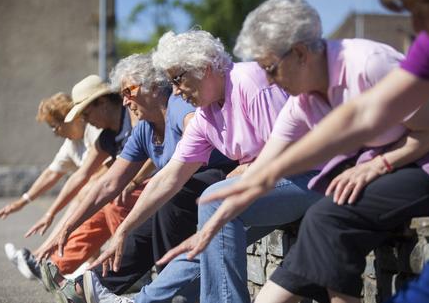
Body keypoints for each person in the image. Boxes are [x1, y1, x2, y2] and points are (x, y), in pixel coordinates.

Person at [184, 0, 429, 302]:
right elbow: (271, 161)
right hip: (384, 169)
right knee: (328, 214)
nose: (415, 24)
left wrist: (379, 165)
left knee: (333, 215)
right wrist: (224, 208)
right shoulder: (302, 102)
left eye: (271, 67)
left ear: (300, 54)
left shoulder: (369, 63)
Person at [83, 29, 323, 303]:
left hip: (312, 177)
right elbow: (169, 177)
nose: (174, 90)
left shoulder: (251, 82)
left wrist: (244, 171)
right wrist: (124, 229)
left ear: (205, 67)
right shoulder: (205, 115)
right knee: (208, 239)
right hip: (269, 186)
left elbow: (286, 154)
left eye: (177, 79)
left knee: (214, 201)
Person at [38, 53, 236, 303]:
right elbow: (109, 183)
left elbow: (197, 131)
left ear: (153, 86)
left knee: (165, 203)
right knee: (143, 227)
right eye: (122, 94)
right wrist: (67, 226)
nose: (125, 101)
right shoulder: (145, 128)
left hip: (220, 176)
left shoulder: (179, 106)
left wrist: (123, 226)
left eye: (128, 91)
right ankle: (90, 284)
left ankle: (172, 292)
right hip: (181, 186)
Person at [25, 75, 154, 301]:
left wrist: (133, 181)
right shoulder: (106, 137)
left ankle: (129, 270)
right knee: (99, 211)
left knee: (115, 202)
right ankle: (56, 265)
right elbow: (81, 175)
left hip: (157, 184)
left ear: (102, 103)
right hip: (132, 192)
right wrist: (54, 217)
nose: (85, 120)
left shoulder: (134, 114)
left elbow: (154, 155)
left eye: (86, 113)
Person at [0, 92, 102, 281]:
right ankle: (58, 261)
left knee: (84, 193)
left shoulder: (93, 129)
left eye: (54, 127)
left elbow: (96, 172)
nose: (54, 133)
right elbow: (52, 173)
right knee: (85, 195)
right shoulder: (71, 143)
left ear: (70, 119)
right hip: (101, 196)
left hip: (118, 190)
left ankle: (42, 257)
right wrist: (22, 201)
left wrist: (51, 213)